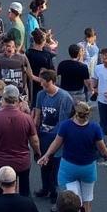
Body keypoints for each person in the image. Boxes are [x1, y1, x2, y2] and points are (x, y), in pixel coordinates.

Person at [37, 102, 107, 212]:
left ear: (74, 113)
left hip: (68, 169)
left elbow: (56, 143)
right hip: (88, 169)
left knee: (71, 204)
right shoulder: (95, 128)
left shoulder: (66, 126)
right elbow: (102, 150)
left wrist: (46, 155)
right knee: (87, 204)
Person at [0, 83, 40, 196]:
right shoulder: (26, 118)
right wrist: (37, 153)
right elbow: (34, 141)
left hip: (0, 162)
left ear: (3, 99)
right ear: (17, 100)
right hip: (21, 162)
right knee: (24, 190)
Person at [35, 69, 74, 202]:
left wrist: (58, 139)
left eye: (43, 82)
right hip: (43, 134)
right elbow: (38, 114)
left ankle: (55, 192)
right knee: (43, 163)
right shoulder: (41, 94)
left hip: (56, 136)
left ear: (51, 81)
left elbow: (63, 122)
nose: (41, 85)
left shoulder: (64, 97)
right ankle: (45, 188)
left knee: (55, 165)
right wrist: (36, 132)